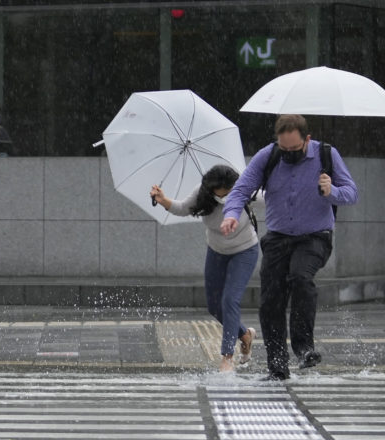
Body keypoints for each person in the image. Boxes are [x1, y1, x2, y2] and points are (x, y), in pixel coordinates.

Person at [219, 114, 357, 381]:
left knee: (300, 277)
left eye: (295, 149)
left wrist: (333, 192)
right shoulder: (268, 156)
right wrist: (231, 214)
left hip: (315, 236)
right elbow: (240, 190)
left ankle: (304, 348)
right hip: (279, 238)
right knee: (271, 300)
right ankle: (277, 368)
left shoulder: (327, 154)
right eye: (285, 149)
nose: (289, 154)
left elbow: (352, 193)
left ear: (307, 139)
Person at [150, 165, 259, 373]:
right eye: (220, 195)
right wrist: (163, 200)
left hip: (245, 251)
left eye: (229, 194)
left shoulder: (246, 191)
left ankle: (227, 357)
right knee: (214, 306)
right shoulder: (202, 193)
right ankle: (245, 335)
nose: (225, 199)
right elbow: (182, 208)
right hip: (216, 252)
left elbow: (275, 198)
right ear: (211, 191)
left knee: (230, 300)